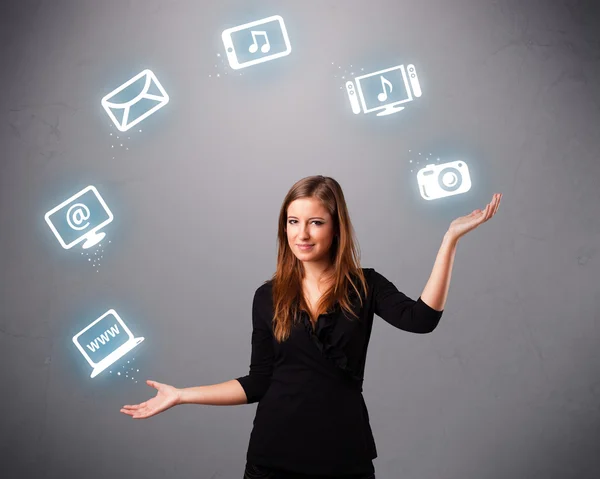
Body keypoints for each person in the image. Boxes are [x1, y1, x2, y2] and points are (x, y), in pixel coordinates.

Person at [121, 175, 502, 479]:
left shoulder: (365, 285)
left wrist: (450, 239)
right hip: (272, 460)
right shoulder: (266, 295)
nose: (301, 234)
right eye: (293, 222)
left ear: (336, 228)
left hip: (342, 458)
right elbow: (258, 381)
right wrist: (182, 394)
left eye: (315, 222)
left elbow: (421, 320)